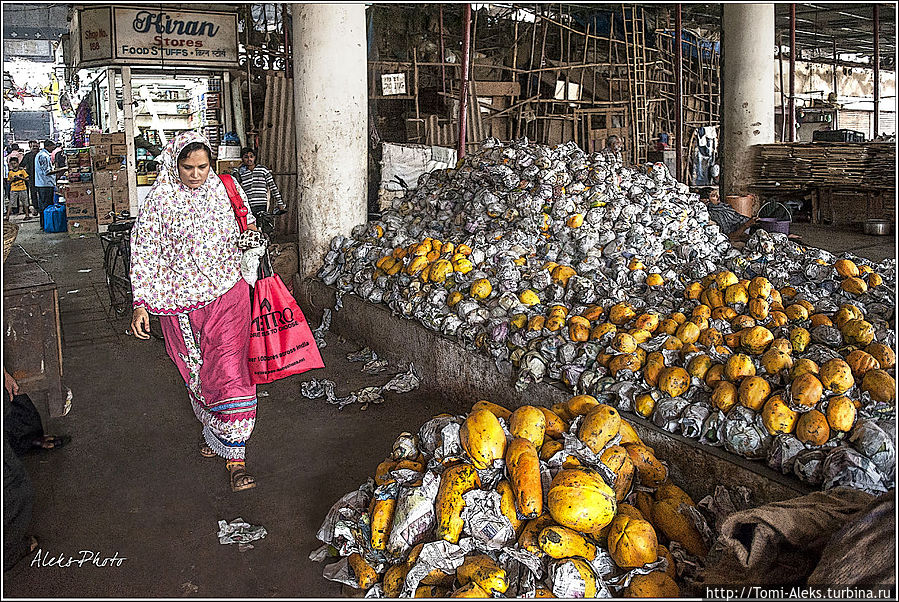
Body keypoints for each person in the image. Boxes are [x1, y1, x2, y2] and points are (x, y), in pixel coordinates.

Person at [129, 132, 260, 493]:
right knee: (197, 369)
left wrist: (251, 246)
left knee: (231, 368)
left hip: (228, 291)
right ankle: (214, 430)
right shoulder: (159, 200)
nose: (196, 174)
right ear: (175, 164)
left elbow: (242, 230)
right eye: (188, 167)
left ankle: (236, 455)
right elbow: (144, 252)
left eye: (203, 166)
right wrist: (141, 302)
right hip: (179, 303)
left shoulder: (222, 189)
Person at [231, 147, 285, 217]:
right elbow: (233, 180)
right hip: (248, 204)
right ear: (242, 159)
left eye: (251, 157)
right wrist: (239, 167)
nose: (249, 159)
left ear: (255, 157)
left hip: (261, 203)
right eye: (246, 157)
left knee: (262, 224)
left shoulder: (262, 170)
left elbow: (273, 187)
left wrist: (280, 203)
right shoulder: (241, 173)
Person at [34, 140, 65, 230]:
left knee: (45, 205)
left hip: (44, 184)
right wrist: (62, 169)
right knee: (46, 206)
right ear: (48, 146)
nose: (54, 148)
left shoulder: (42, 155)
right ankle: (46, 225)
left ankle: (46, 224)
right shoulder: (43, 156)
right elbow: (47, 172)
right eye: (53, 146)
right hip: (45, 185)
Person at [21, 141, 40, 218]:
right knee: (33, 193)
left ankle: (41, 207)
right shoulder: (27, 155)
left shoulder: (41, 154)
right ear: (30, 147)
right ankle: (36, 208)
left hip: (41, 178)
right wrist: (26, 174)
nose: (35, 147)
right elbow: (21, 165)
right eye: (33, 146)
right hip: (32, 178)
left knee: (41, 193)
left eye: (36, 146)